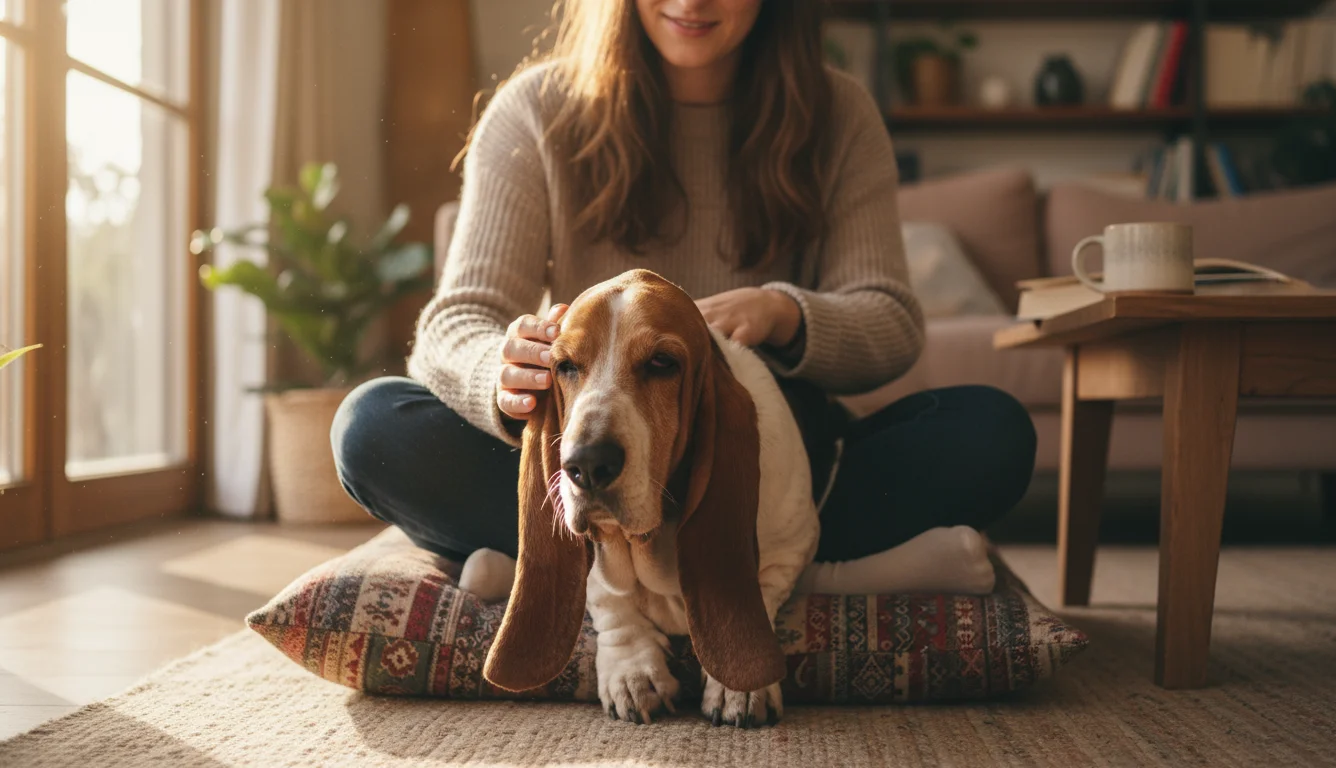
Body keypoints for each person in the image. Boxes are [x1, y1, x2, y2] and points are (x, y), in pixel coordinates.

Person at [331, 0, 1036, 596]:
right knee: (370, 428)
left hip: (768, 470)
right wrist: (500, 369)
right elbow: (456, 323)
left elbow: (890, 321)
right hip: (589, 462)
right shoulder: (534, 111)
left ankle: (558, 574)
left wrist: (783, 313)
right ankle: (808, 577)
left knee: (993, 432)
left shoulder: (840, 115)